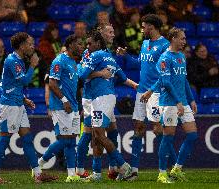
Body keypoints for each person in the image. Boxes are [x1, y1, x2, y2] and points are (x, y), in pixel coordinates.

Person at [0, 32, 57, 184]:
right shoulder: (12, 60)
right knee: (4, 139)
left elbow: (11, 84)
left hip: (18, 103)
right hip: (10, 106)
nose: (32, 46)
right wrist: (32, 65)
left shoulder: (17, 60)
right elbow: (24, 81)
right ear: (22, 45)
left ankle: (38, 175)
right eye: (30, 43)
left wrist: (24, 99)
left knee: (27, 139)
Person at [76, 24, 137, 181]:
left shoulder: (97, 55)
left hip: (101, 99)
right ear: (101, 35)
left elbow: (81, 74)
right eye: (109, 32)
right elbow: (122, 77)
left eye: (113, 31)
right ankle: (96, 172)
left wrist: (97, 74)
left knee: (98, 134)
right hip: (94, 99)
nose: (113, 34)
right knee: (98, 134)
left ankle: (123, 168)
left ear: (97, 42)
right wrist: (137, 86)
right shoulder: (100, 54)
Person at [117, 14, 170, 181]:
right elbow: (138, 63)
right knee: (138, 128)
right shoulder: (145, 43)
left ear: (152, 27)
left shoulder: (165, 45)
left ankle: (169, 169)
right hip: (141, 92)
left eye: (144, 26)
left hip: (156, 93)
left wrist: (152, 90)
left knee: (158, 129)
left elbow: (164, 74)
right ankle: (134, 171)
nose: (142, 29)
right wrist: (126, 56)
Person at [37, 35, 84, 182]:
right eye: (79, 44)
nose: (81, 46)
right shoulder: (59, 61)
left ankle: (71, 175)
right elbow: (52, 83)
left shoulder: (74, 62)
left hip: (73, 106)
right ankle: (38, 164)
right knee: (64, 140)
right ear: (70, 45)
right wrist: (64, 100)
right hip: (61, 106)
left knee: (71, 141)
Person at [153, 27, 197, 183]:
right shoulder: (164, 58)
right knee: (168, 138)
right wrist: (178, 101)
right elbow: (166, 82)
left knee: (192, 135)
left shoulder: (181, 56)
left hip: (183, 102)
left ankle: (177, 169)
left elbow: (184, 80)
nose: (184, 41)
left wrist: (190, 99)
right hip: (170, 103)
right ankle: (162, 174)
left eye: (185, 38)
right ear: (173, 39)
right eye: (182, 38)